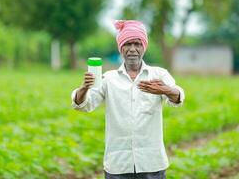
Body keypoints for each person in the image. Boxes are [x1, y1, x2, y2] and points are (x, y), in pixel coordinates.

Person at [71, 20, 185, 179]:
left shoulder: (159, 74)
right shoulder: (108, 79)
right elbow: (85, 105)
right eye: (127, 44)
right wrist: (84, 88)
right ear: (121, 48)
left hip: (151, 164)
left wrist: (165, 90)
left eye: (137, 44)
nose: (132, 49)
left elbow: (178, 96)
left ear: (143, 47)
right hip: (118, 165)